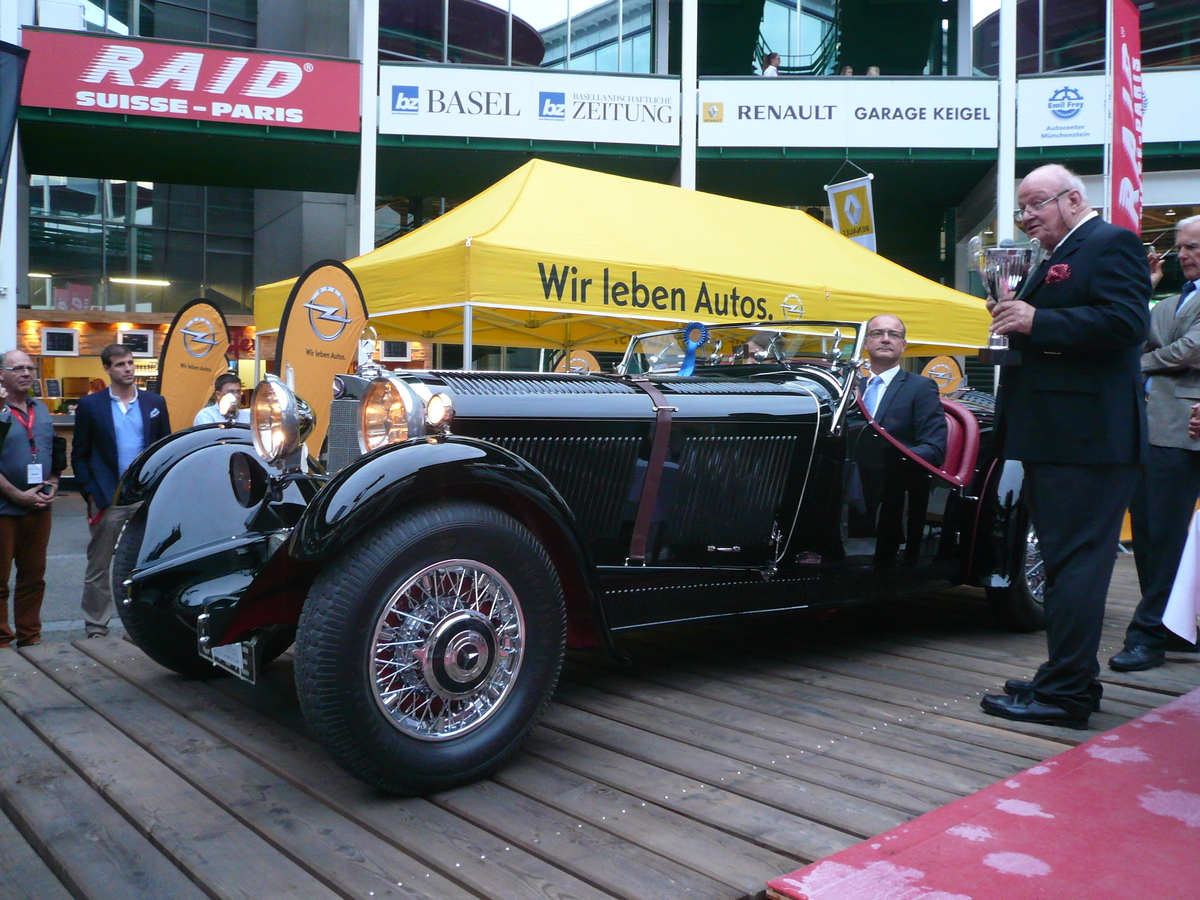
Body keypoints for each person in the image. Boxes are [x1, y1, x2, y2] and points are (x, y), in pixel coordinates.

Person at [980, 164, 1151, 729]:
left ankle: (1067, 691)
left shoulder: (1112, 242)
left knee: (1075, 564)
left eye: (1035, 206)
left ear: (1073, 199)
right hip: (1065, 435)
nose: (1026, 217)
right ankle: (1067, 676)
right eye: (1022, 209)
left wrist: (1035, 321)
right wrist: (1014, 321)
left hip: (1088, 440)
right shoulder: (1068, 251)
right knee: (1064, 563)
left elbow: (1127, 324)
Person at [1111, 215, 1200, 670]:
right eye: (1180, 247)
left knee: (1163, 536)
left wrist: (1141, 364)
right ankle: (1169, 626)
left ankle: (1148, 633)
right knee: (1149, 533)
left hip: (1184, 429)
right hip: (1154, 430)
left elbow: (1191, 350)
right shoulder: (1171, 301)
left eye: (1193, 247)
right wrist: (1144, 287)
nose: (1183, 255)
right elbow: (1133, 335)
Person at [72, 343, 171, 638]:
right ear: (107, 369)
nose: (127, 369)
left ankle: (138, 626)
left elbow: (164, 447)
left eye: (130, 363)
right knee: (100, 566)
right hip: (107, 496)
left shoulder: (155, 402)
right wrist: (89, 492)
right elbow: (80, 453)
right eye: (120, 365)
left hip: (144, 496)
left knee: (144, 564)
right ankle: (96, 626)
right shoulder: (91, 405)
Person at [0, 349, 59, 648]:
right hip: (4, 509)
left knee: (33, 578)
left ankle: (30, 637)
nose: (26, 373)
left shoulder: (42, 409)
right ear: (1, 375)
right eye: (17, 368)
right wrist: (16, 494)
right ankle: (1, 641)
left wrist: (55, 484)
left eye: (29, 367)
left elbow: (53, 451)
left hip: (38, 507)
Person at [860, 315, 947, 465]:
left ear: (903, 345)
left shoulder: (921, 387)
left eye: (894, 334)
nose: (886, 339)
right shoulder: (852, 388)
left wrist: (886, 459)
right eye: (877, 333)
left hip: (893, 478)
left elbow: (934, 449)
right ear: (865, 343)